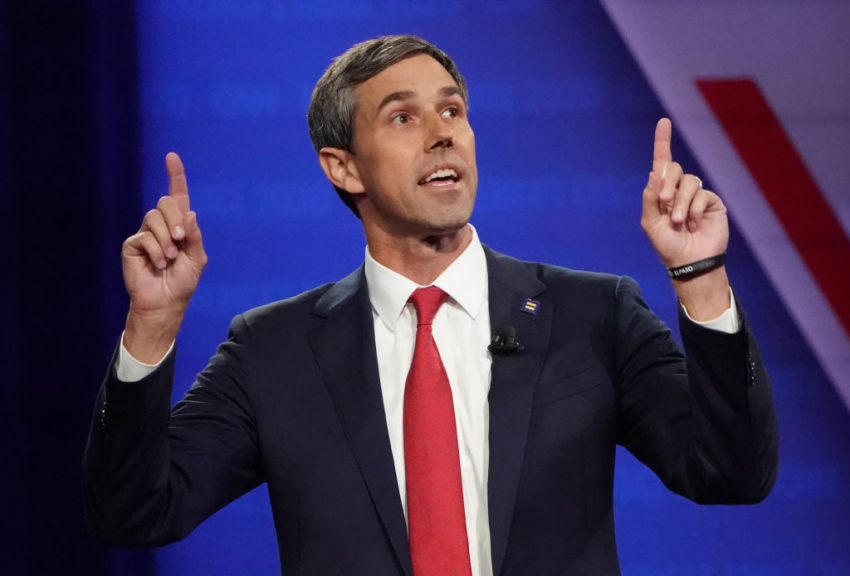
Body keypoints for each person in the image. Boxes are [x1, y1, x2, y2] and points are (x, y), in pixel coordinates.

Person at [84, 35, 779, 576]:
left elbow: (731, 473)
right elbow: (135, 513)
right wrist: (152, 324)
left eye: (452, 110)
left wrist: (701, 278)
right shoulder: (272, 351)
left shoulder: (594, 314)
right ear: (343, 167)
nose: (443, 131)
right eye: (403, 117)